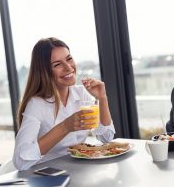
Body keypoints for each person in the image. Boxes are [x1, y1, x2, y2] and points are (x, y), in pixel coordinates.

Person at [13, 37, 115, 170]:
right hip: (47, 177)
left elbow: (106, 137)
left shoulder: (81, 94)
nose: (68, 67)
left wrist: (102, 98)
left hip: (79, 171)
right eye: (57, 64)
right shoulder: (36, 104)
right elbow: (20, 161)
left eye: (69, 59)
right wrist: (65, 127)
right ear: (44, 71)